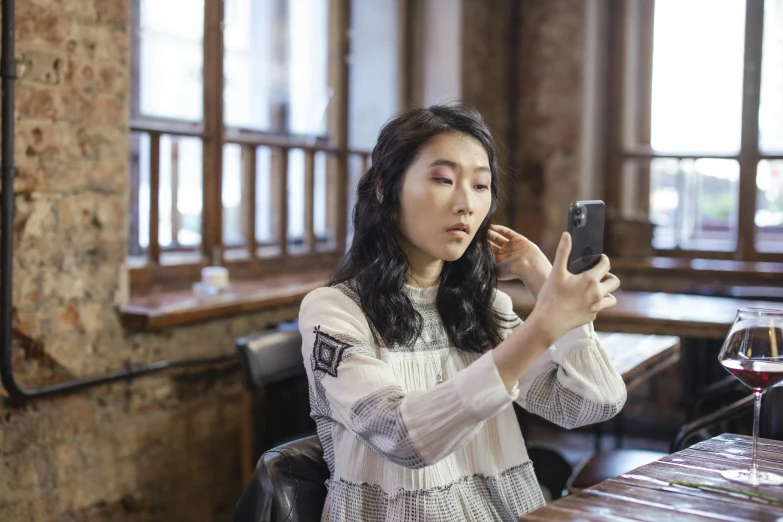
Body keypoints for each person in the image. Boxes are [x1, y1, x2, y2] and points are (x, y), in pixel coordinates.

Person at [299, 104, 626, 521]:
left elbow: (589, 405)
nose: (466, 204)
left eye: (480, 185)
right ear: (384, 187)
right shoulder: (334, 310)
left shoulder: (484, 307)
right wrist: (545, 324)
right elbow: (401, 435)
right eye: (442, 179)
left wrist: (541, 277)